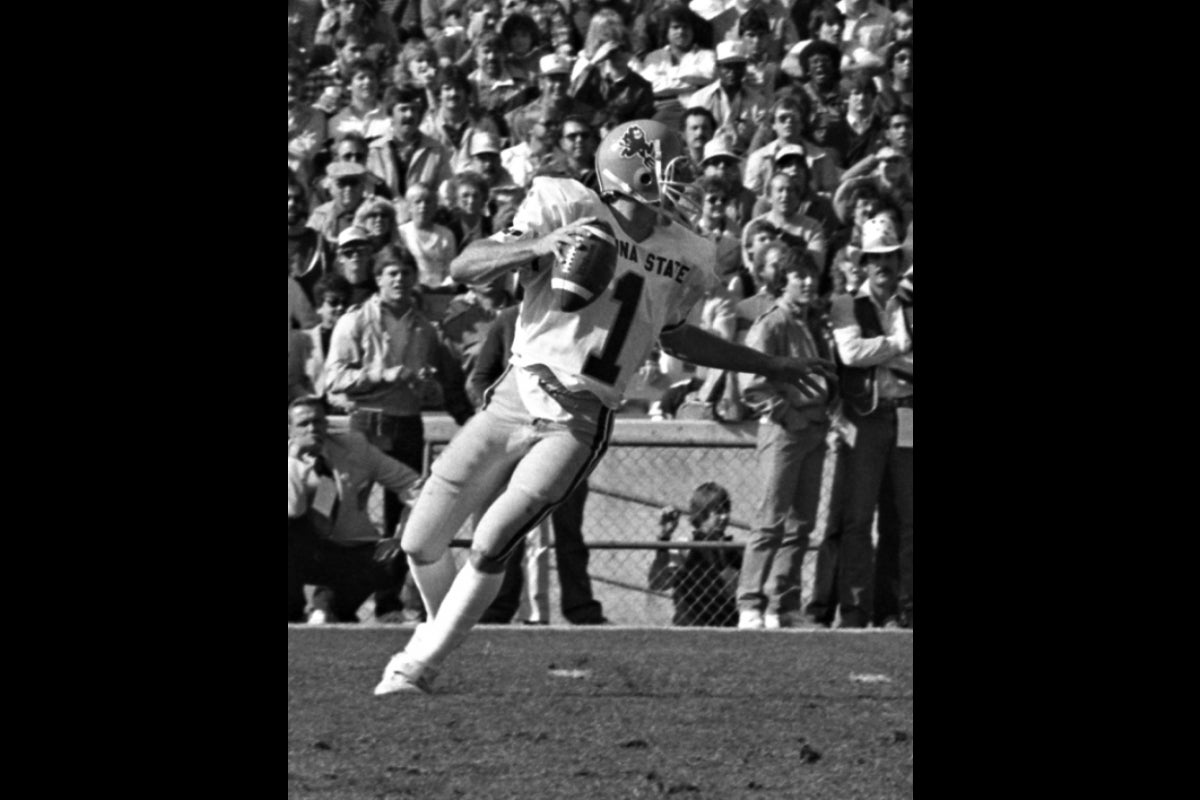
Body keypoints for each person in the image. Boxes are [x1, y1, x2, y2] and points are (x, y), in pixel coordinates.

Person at [372, 118, 833, 695]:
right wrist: (537, 246)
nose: (685, 184)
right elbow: (464, 267)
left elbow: (676, 335)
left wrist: (770, 364)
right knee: (420, 540)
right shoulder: (566, 204)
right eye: (672, 171)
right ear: (631, 171)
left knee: (492, 541)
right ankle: (439, 634)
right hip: (515, 394)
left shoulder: (685, 250)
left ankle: (420, 666)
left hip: (580, 417)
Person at [324, 245, 474, 618]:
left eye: (406, 273)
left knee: (407, 519)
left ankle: (388, 601)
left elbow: (439, 387)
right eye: (392, 273)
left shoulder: (425, 328)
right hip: (366, 426)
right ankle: (329, 603)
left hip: (407, 424)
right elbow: (333, 378)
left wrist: (428, 389)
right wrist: (380, 375)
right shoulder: (354, 321)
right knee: (347, 517)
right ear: (378, 279)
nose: (400, 280)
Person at [736, 248, 833, 629]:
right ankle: (749, 603)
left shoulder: (810, 323)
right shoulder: (772, 323)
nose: (808, 282)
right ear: (782, 281)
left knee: (801, 523)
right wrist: (787, 415)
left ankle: (783, 603)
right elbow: (752, 382)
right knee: (770, 519)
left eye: (811, 275)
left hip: (813, 426)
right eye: (799, 276)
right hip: (785, 429)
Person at [828, 215, 912, 629]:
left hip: (908, 413)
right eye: (875, 257)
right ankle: (856, 610)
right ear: (863, 262)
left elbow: (865, 351)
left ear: (899, 260)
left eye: (889, 257)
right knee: (858, 517)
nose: (883, 265)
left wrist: (881, 351)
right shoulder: (846, 303)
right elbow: (849, 353)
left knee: (905, 517)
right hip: (866, 417)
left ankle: (896, 608)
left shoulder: (907, 303)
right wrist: (897, 346)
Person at [288, 396, 422, 623]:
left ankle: (334, 612)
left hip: (348, 548)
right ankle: (295, 614)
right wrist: (293, 459)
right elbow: (291, 509)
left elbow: (416, 486)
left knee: (389, 560)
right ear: (289, 428)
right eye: (303, 424)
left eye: (318, 421)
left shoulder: (355, 447)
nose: (312, 428)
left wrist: (402, 533)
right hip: (298, 554)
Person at [648, 483, 741, 627]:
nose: (724, 516)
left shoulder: (734, 550)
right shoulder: (687, 546)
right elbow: (658, 583)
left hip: (727, 626)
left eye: (726, 510)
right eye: (717, 511)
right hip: (691, 626)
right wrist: (664, 538)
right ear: (702, 513)